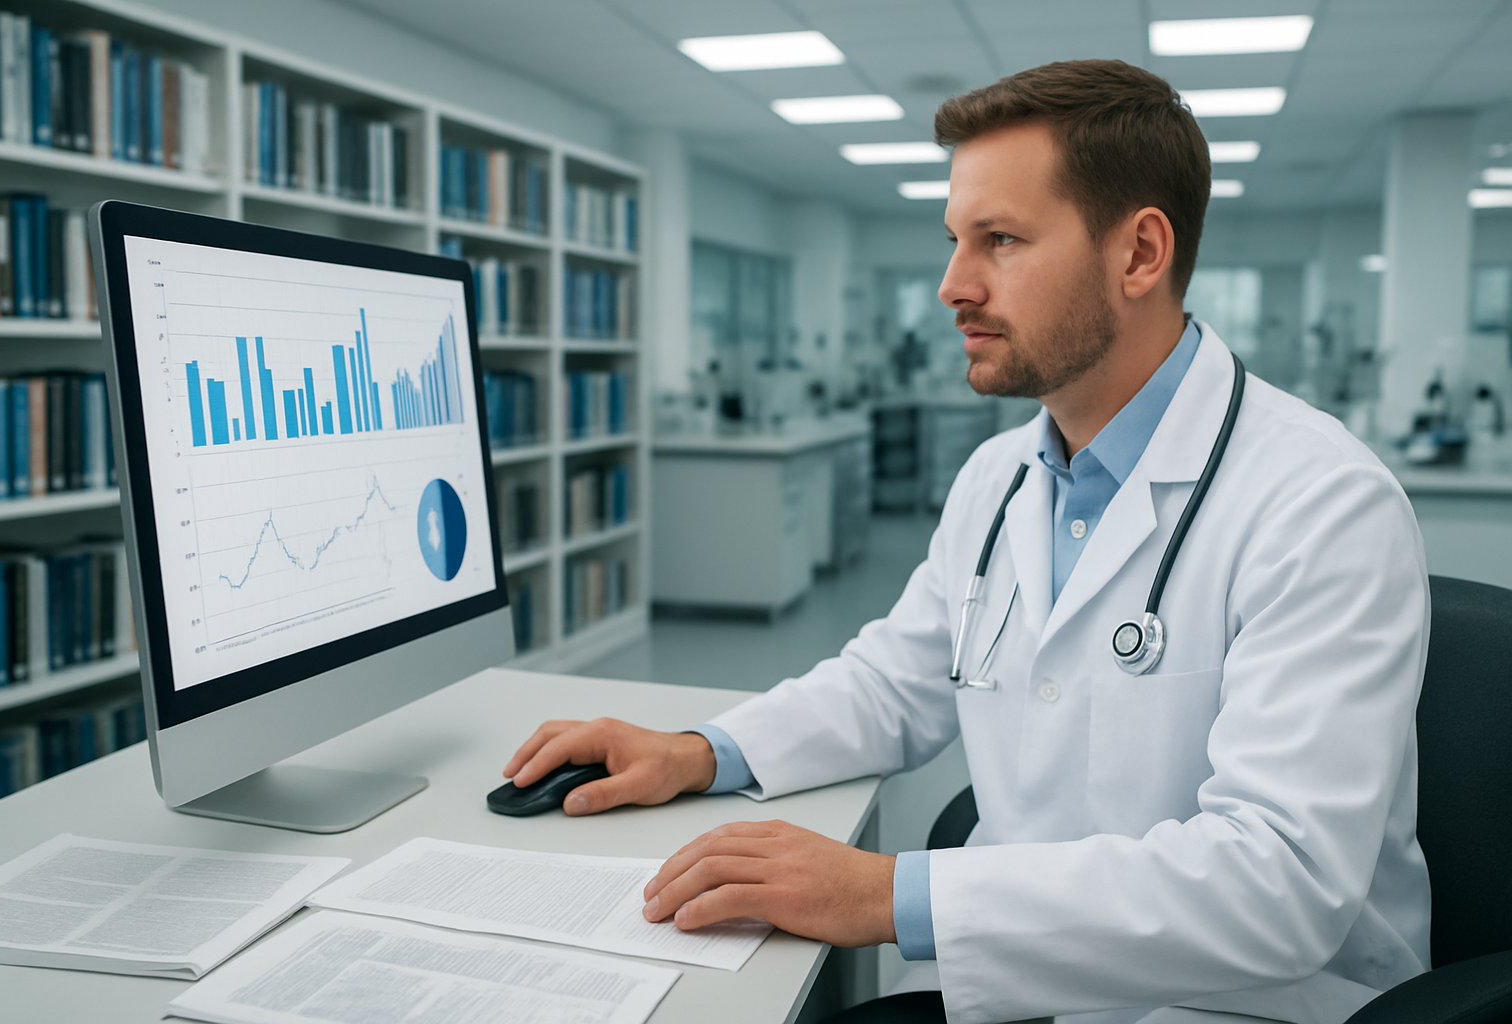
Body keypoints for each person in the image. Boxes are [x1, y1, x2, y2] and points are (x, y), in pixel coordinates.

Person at [503, 60, 1430, 1024]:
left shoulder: (1322, 503)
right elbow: (894, 682)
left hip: (1250, 1003)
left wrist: (885, 895)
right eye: (955, 240)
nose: (952, 285)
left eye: (1001, 240)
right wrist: (701, 750)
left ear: (1140, 254)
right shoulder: (1002, 480)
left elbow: (1278, 885)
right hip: (1025, 979)